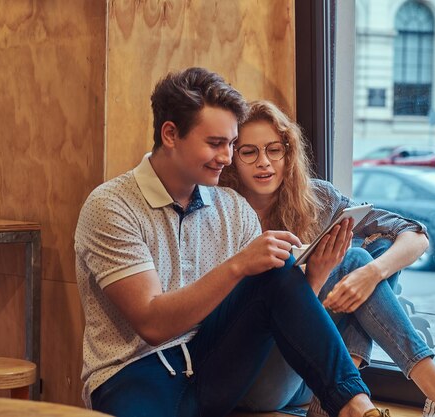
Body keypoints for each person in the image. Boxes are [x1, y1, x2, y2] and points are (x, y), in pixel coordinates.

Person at [74, 67, 394, 417]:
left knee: (276, 266)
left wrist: (313, 275)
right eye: (215, 143)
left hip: (212, 366)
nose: (226, 157)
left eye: (230, 143)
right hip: (131, 374)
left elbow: (277, 299)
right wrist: (238, 264)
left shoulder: (231, 207)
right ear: (170, 134)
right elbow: (152, 325)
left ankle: (358, 408)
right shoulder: (111, 206)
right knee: (260, 262)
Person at [218, 100, 435, 417]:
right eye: (249, 152)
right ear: (233, 158)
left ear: (288, 153)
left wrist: (372, 273)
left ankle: (339, 398)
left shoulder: (318, 198)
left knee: (373, 255)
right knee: (354, 260)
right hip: (257, 381)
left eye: (274, 150)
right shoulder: (223, 211)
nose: (265, 162)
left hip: (309, 379)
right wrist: (316, 280)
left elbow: (414, 234)